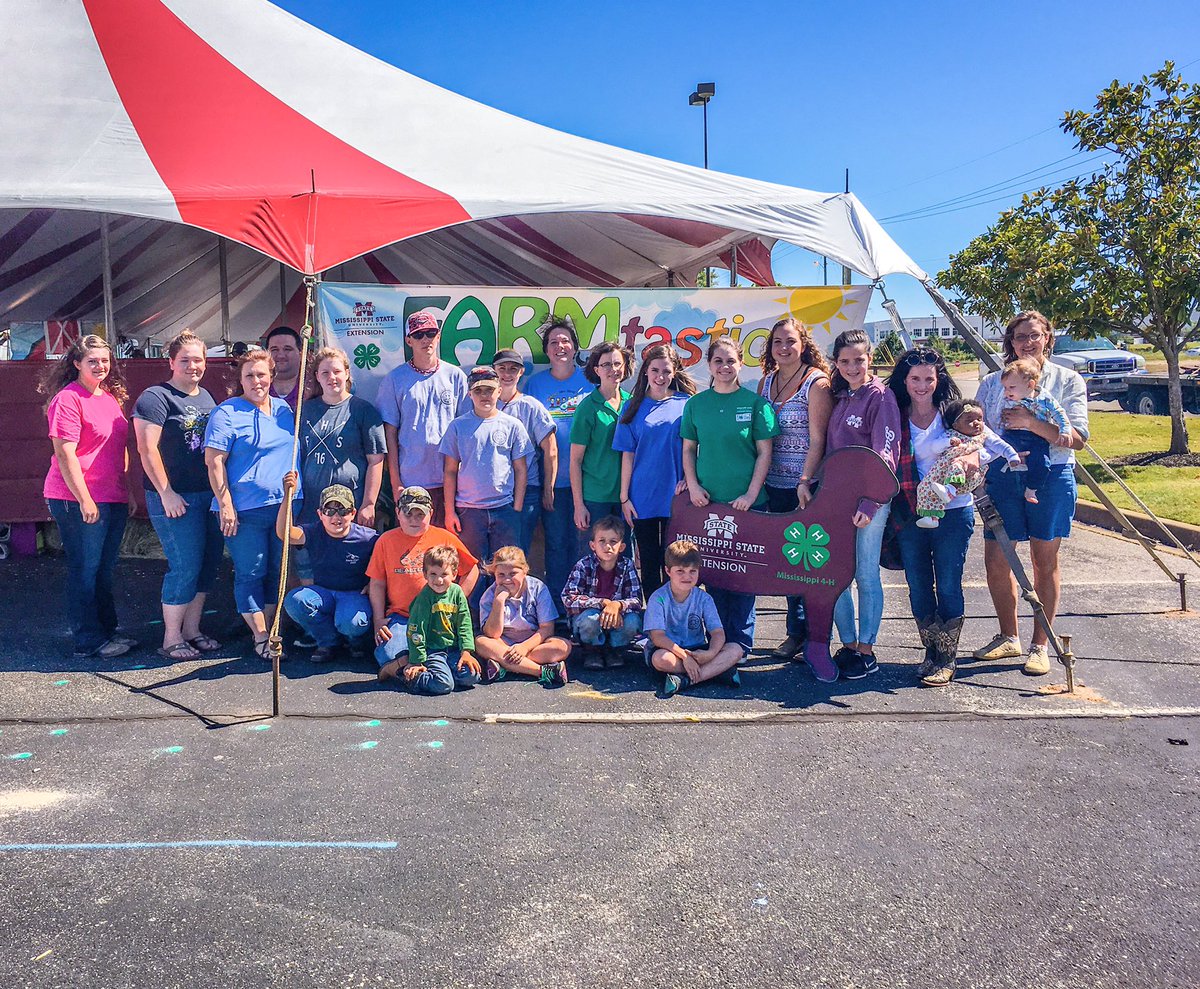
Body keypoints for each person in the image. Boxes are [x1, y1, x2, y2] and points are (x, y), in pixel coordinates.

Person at [973, 311, 1089, 676]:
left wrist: (1031, 425)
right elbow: (979, 430)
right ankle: (1009, 636)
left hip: (1051, 475)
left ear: (1048, 338)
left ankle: (1040, 644)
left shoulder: (1067, 381)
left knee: (1044, 558)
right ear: (1010, 342)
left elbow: (1079, 439)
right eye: (1020, 336)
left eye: (1034, 335)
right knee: (997, 556)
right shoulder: (993, 382)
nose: (1027, 342)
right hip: (1005, 477)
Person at [680, 337, 778, 664]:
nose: (724, 367)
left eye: (731, 361)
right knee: (715, 576)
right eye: (718, 361)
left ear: (740, 364)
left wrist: (751, 494)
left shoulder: (754, 404)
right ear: (709, 365)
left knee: (744, 577)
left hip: (748, 506)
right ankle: (718, 643)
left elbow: (765, 452)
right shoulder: (696, 404)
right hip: (709, 505)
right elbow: (689, 449)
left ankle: (741, 644)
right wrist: (693, 486)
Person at [41, 334, 137, 659]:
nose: (100, 366)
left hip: (111, 495)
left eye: (104, 360)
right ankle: (88, 641)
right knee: (85, 569)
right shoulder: (68, 399)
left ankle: (107, 631)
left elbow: (118, 449)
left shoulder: (109, 397)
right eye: (92, 360)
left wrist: (127, 491)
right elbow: (65, 454)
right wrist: (84, 499)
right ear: (77, 363)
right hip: (76, 498)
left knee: (103, 569)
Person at [133, 330, 223, 661]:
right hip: (175, 497)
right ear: (171, 362)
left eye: (198, 359)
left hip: (207, 495)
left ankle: (192, 630)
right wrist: (166, 492)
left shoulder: (207, 398)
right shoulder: (155, 398)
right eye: (184, 360)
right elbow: (146, 449)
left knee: (207, 564)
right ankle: (171, 637)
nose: (192, 365)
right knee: (184, 565)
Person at [204, 349, 300, 660]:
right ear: (240, 379)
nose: (256, 381)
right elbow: (214, 462)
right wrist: (225, 503)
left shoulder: (286, 410)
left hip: (284, 506)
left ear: (272, 375)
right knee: (251, 572)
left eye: (261, 374)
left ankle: (272, 629)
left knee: (277, 570)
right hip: (245, 510)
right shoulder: (227, 413)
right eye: (249, 375)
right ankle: (260, 637)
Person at [885, 349, 971, 686]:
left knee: (948, 583)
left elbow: (978, 440)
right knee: (918, 585)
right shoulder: (894, 414)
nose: (922, 385)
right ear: (904, 381)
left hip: (953, 509)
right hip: (910, 511)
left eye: (928, 379)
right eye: (915, 379)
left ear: (939, 380)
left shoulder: (952, 414)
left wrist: (972, 460)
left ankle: (947, 658)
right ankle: (931, 651)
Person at [824, 329, 901, 682]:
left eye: (859, 359)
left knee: (865, 574)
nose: (852, 366)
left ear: (870, 358)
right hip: (835, 501)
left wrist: (872, 501)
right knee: (836, 576)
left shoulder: (880, 397)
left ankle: (867, 650)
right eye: (844, 361)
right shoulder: (841, 397)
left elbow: (886, 453)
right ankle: (848, 643)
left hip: (869, 502)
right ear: (836, 364)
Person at [757, 318, 833, 662]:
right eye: (777, 342)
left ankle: (816, 637)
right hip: (773, 486)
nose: (783, 348)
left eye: (790, 341)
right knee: (786, 563)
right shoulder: (764, 383)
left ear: (803, 343)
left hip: (807, 488)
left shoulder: (816, 383)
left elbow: (819, 439)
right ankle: (795, 633)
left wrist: (805, 480)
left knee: (810, 563)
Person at [439, 365, 532, 609]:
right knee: (472, 570)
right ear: (470, 394)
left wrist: (517, 506)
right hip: (469, 511)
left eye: (490, 390)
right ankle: (472, 623)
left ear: (499, 391)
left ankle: (510, 620)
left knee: (507, 568)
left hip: (504, 509)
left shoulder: (512, 425)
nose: (484, 395)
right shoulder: (458, 426)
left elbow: (521, 469)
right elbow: (449, 471)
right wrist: (450, 512)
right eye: (478, 390)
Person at [366, 486, 480, 681]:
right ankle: (409, 665)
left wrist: (454, 597)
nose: (414, 520)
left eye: (420, 514)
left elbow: (471, 569)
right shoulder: (386, 541)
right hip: (402, 617)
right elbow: (377, 583)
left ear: (431, 514)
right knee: (390, 652)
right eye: (408, 514)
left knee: (468, 675)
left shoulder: (444, 538)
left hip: (438, 616)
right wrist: (378, 619)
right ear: (398, 513)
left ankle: (421, 670)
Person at [614, 343, 696, 595]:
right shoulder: (632, 407)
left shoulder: (687, 404)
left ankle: (678, 618)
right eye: (655, 370)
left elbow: (696, 448)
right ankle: (654, 622)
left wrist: (690, 481)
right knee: (649, 563)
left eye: (666, 371)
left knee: (677, 562)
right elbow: (627, 455)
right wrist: (624, 497)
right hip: (643, 497)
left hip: (677, 496)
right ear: (646, 372)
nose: (660, 377)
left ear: (674, 373)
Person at [375, 312, 469, 527]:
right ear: (409, 340)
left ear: (439, 336)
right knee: (414, 548)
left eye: (430, 333)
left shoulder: (455, 377)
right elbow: (389, 434)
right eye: (418, 335)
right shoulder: (394, 379)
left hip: (451, 481)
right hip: (411, 481)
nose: (425, 339)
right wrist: (396, 483)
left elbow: (465, 431)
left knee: (445, 551)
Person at [524, 316, 593, 604]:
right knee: (555, 545)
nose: (559, 346)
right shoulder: (534, 385)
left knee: (586, 547)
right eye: (553, 342)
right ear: (547, 351)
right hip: (551, 483)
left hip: (590, 484)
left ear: (575, 347)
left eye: (565, 340)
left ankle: (586, 606)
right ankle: (557, 608)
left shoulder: (591, 380)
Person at [277, 472, 378, 663]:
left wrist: (375, 582)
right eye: (329, 511)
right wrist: (287, 496)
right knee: (295, 600)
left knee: (353, 623)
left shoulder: (370, 538)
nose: (336, 517)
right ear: (320, 514)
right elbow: (285, 533)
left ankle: (353, 639)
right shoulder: (313, 531)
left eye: (343, 511)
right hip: (323, 593)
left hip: (354, 594)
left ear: (353, 513)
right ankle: (327, 642)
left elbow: (386, 561)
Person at [298, 347, 386, 529]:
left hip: (350, 505)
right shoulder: (305, 410)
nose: (332, 377)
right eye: (325, 373)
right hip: (312, 506)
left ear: (346, 373)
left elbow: (376, 461)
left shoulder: (363, 411)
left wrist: (368, 504)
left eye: (337, 371)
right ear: (317, 376)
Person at [644, 539, 742, 698]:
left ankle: (685, 681)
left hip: (697, 649)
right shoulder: (658, 598)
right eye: (680, 571)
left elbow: (717, 632)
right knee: (660, 659)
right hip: (671, 651)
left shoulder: (704, 598)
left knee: (736, 650)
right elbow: (658, 637)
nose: (687, 576)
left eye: (692, 571)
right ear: (668, 571)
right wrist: (684, 657)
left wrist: (710, 653)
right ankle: (716, 671)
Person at [914, 399, 1021, 529]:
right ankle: (932, 517)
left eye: (980, 419)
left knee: (957, 464)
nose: (976, 423)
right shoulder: (950, 434)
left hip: (967, 476)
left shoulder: (984, 435)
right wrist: (948, 442)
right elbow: (935, 447)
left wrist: (1012, 456)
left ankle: (951, 489)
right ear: (956, 425)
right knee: (925, 486)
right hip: (941, 472)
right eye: (969, 420)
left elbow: (1000, 446)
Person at [474, 546, 571, 687]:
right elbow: (492, 634)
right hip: (503, 643)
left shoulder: (538, 588)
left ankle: (505, 666)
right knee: (481, 642)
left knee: (563, 647)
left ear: (524, 571)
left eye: (512, 573)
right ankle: (542, 671)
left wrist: (523, 648)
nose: (507, 580)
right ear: (494, 573)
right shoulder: (489, 595)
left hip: (533, 644)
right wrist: (499, 602)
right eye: (501, 575)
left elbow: (546, 629)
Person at [569, 341, 633, 553]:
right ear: (596, 370)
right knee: (595, 558)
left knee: (623, 556)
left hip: (626, 496)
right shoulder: (587, 407)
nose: (612, 369)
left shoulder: (632, 403)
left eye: (617, 363)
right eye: (606, 365)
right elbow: (575, 461)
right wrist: (579, 506)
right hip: (596, 497)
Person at [491, 349, 557, 553]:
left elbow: (551, 449)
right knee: (492, 553)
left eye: (513, 369)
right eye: (502, 368)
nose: (507, 374)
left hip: (527, 488)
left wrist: (548, 489)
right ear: (494, 371)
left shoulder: (531, 406)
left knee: (517, 551)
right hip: (493, 490)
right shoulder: (480, 403)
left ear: (521, 373)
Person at [562, 516, 643, 670]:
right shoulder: (584, 565)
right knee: (591, 619)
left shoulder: (627, 566)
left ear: (622, 546)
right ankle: (592, 650)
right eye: (602, 541)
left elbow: (637, 600)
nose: (607, 546)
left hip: (616, 618)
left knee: (633, 620)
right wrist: (602, 603)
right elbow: (568, 598)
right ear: (592, 545)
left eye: (613, 542)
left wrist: (617, 605)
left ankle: (614, 649)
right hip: (590, 618)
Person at [400, 545, 482, 695]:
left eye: (444, 574)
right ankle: (411, 677)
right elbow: (417, 630)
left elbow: (464, 622)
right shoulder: (424, 598)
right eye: (433, 574)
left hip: (453, 649)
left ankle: (446, 672)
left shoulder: (457, 592)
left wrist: (466, 651)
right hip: (432, 650)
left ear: (454, 574)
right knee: (443, 685)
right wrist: (417, 660)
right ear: (425, 574)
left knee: (472, 676)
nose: (438, 580)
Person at [998, 358, 1073, 505]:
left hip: (1037, 437)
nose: (1007, 392)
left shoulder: (1045, 399)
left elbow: (1059, 413)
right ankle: (995, 475)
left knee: (1042, 462)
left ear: (1030, 385)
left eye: (1011, 387)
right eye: (1005, 388)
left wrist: (1065, 431)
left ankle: (1031, 489)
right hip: (1013, 434)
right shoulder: (1008, 398)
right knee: (998, 450)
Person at [265, 326, 304, 410]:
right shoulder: (255, 388)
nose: (281, 355)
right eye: (274, 350)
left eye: (287, 349)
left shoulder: (315, 388)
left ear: (301, 354)